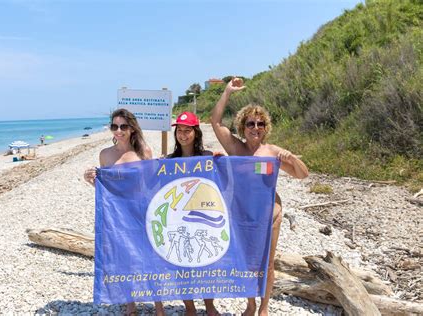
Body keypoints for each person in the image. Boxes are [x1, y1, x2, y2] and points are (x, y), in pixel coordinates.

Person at [211, 78, 309, 316]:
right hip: (242, 214)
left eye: (260, 123)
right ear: (242, 127)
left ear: (266, 127)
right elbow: (214, 121)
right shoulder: (236, 149)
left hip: (269, 215)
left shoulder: (273, 152)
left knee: (268, 263)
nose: (256, 127)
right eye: (250, 123)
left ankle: (264, 308)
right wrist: (227, 92)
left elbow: (301, 175)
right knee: (246, 260)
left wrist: (291, 158)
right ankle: (250, 304)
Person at [83, 108, 164, 316]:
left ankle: (159, 305)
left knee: (149, 260)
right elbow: (107, 189)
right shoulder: (105, 155)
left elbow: (153, 184)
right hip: (117, 216)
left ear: (132, 128)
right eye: (114, 126)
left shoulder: (143, 151)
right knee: (125, 258)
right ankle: (130, 304)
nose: (118, 131)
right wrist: (92, 180)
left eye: (123, 126)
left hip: (141, 212)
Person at [167, 111, 220, 316]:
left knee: (207, 264)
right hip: (179, 219)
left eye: (187, 130)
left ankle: (209, 305)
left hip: (204, 219)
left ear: (195, 132)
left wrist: (221, 161)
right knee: (182, 265)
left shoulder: (208, 157)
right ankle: (190, 308)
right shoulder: (170, 160)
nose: (183, 134)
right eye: (180, 130)